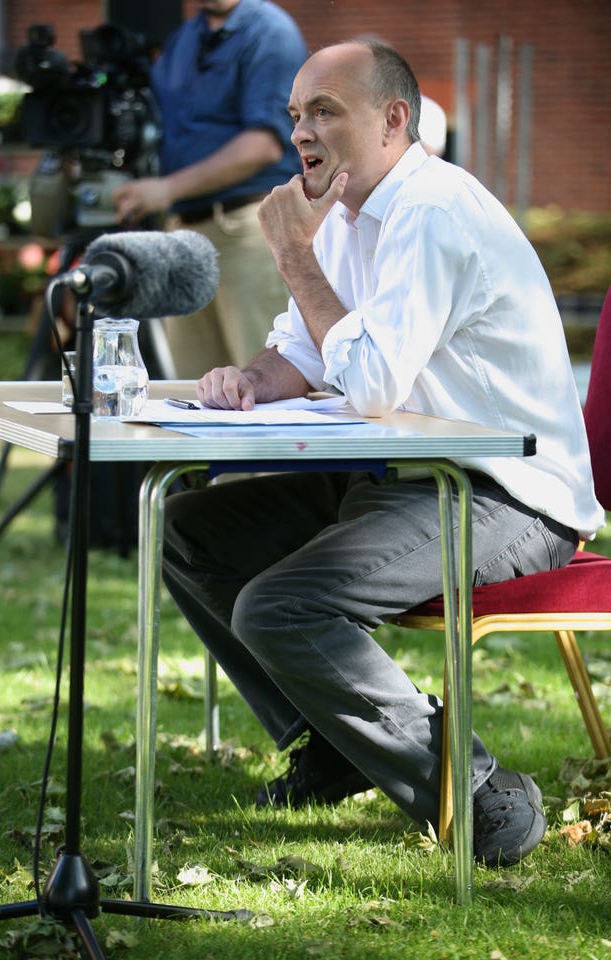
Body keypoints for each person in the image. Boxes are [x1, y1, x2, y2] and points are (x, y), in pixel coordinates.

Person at [161, 40, 604, 868]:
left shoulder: (431, 211)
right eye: (296, 115)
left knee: (280, 605)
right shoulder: (349, 215)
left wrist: (290, 252)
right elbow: (302, 351)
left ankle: (473, 793)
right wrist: (243, 380)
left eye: (326, 110)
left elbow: (366, 380)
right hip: (402, 479)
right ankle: (330, 740)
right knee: (190, 530)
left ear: (394, 119)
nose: (303, 133)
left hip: (507, 497)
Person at [112, 0, 308, 377]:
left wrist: (166, 188)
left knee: (265, 387)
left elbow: (264, 144)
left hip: (248, 229)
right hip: (184, 233)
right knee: (194, 393)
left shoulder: (271, 31)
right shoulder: (184, 38)